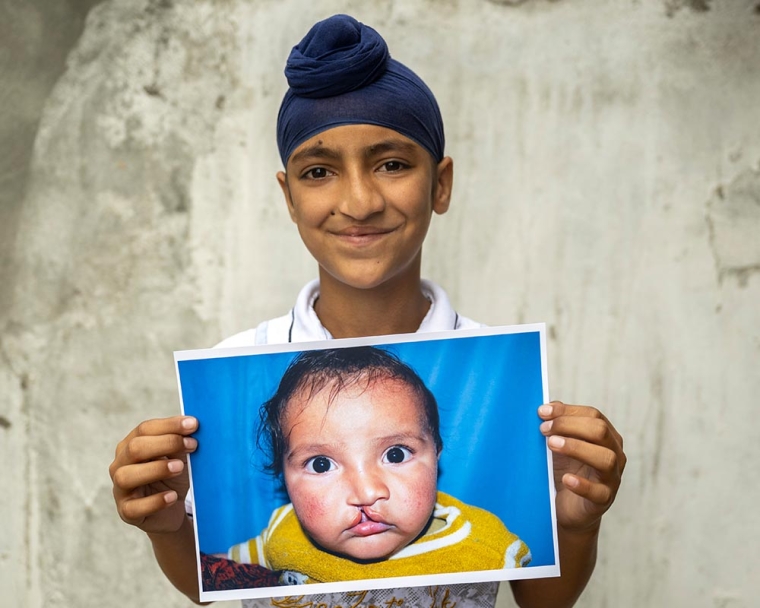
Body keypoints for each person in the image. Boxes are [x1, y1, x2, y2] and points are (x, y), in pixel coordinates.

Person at [109, 13, 626, 608]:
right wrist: (167, 524)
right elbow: (214, 586)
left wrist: (579, 521)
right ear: (290, 196)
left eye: (392, 164)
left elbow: (542, 600)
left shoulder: (510, 386)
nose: (358, 201)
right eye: (320, 172)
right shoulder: (229, 367)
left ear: (440, 184)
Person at [226, 346, 531, 585]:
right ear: (284, 477)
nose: (367, 492)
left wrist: (573, 529)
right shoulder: (281, 535)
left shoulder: (481, 545)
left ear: (436, 454)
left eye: (395, 455)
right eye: (321, 464)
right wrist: (177, 528)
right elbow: (206, 581)